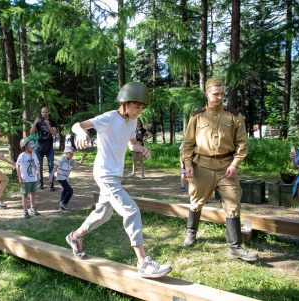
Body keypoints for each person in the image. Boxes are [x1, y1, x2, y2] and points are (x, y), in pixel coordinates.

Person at [66, 82, 172, 278]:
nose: (139, 111)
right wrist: (81, 132)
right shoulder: (108, 118)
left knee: (104, 214)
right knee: (131, 210)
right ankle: (143, 263)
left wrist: (140, 148)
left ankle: (75, 236)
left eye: (141, 107)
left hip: (114, 174)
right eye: (136, 106)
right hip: (104, 173)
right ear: (125, 103)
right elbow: (77, 125)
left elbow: (131, 144)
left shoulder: (132, 121)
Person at [181, 77, 258, 262]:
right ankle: (191, 233)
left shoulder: (234, 116)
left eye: (222, 94)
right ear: (206, 93)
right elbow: (187, 144)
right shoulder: (197, 116)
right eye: (216, 94)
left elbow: (242, 144)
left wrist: (234, 164)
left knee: (233, 206)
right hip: (202, 167)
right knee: (196, 201)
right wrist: (188, 164)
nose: (219, 97)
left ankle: (235, 247)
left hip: (226, 168)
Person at [48, 145, 88, 211]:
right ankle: (63, 203)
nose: (71, 155)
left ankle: (61, 207)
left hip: (66, 178)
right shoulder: (61, 159)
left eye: (72, 154)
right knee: (70, 190)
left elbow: (79, 163)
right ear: (66, 153)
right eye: (70, 154)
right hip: (61, 177)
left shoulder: (71, 160)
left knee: (64, 190)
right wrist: (51, 177)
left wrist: (83, 157)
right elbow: (55, 168)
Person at [29, 106, 57, 191]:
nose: (44, 113)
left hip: (49, 147)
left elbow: (54, 133)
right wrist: (34, 123)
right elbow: (31, 133)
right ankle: (40, 183)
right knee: (39, 166)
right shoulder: (38, 121)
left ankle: (51, 184)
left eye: (46, 112)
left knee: (51, 165)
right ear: (41, 113)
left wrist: (48, 124)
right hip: (39, 147)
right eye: (43, 112)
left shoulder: (52, 121)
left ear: (48, 113)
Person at [16, 137, 40, 219]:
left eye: (33, 146)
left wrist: (38, 172)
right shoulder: (22, 155)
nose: (32, 148)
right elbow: (17, 166)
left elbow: (37, 164)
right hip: (25, 179)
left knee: (33, 193)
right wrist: (19, 177)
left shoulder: (34, 154)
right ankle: (25, 210)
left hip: (33, 178)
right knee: (25, 194)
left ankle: (32, 208)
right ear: (25, 147)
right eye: (30, 146)